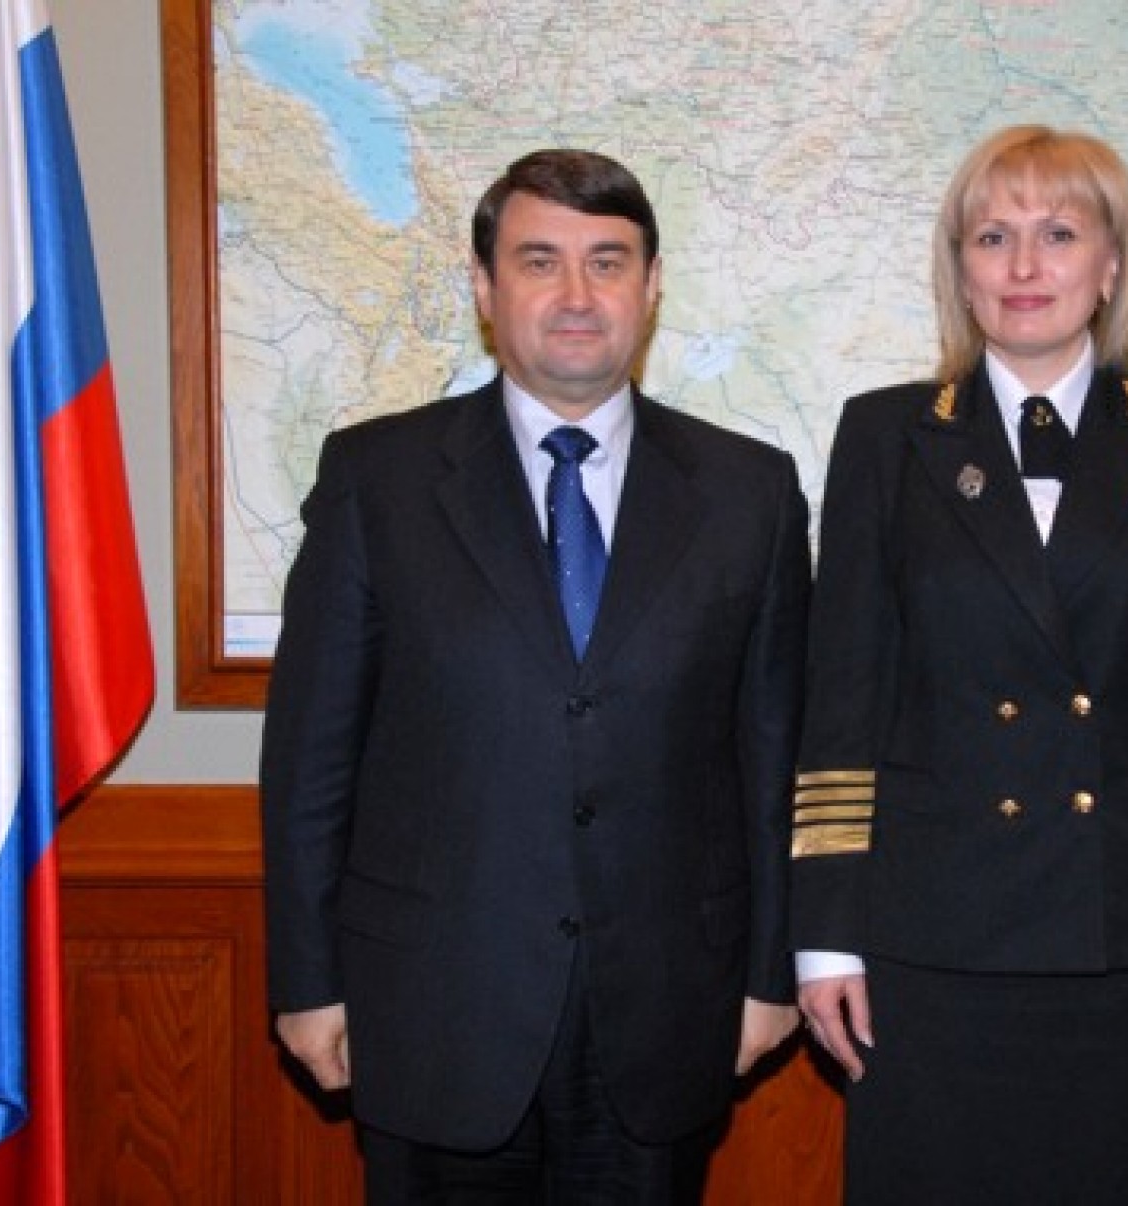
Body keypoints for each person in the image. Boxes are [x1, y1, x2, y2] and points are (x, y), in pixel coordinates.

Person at [261, 149, 809, 1204]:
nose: (576, 295)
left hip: (667, 1012)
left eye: (608, 262)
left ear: (651, 287)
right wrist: (308, 980)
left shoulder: (751, 493)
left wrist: (769, 976)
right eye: (539, 261)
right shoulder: (377, 481)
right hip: (432, 1010)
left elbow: (773, 755)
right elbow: (311, 758)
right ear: (483, 286)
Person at [792, 125, 1128, 1205]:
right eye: (994, 237)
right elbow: (841, 700)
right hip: (934, 943)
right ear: (961, 269)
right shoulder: (887, 437)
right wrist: (824, 940)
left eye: (1059, 234)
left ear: (1110, 266)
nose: (1025, 265)